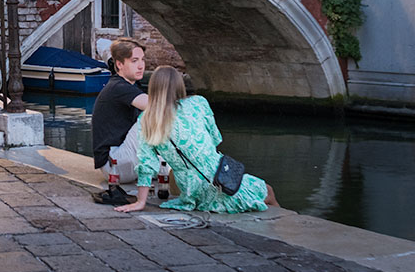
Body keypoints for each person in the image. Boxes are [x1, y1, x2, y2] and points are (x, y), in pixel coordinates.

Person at [116, 65, 279, 213]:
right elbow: (216, 138)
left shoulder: (146, 120)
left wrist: (141, 202)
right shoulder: (198, 103)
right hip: (218, 180)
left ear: (153, 88)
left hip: (190, 189)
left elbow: (146, 164)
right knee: (268, 191)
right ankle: (281, 228)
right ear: (179, 85)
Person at [90, 38, 163, 205]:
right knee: (150, 116)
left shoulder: (127, 85)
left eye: (142, 60)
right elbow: (156, 107)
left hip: (123, 160)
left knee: (173, 166)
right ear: (119, 64)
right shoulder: (119, 87)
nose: (141, 66)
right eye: (134, 61)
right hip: (114, 164)